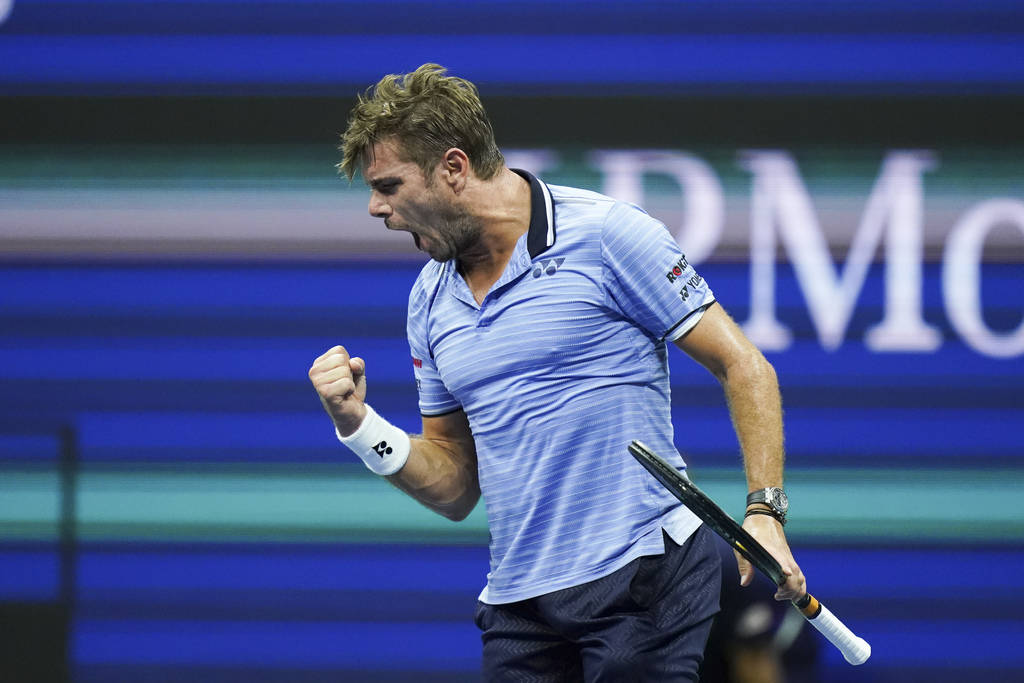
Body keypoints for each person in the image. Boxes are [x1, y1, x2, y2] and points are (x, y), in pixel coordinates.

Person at [309, 63, 805, 682]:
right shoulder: (427, 302)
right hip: (521, 604)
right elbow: (457, 484)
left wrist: (765, 511)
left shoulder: (607, 235)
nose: (375, 207)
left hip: (644, 573)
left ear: (454, 168)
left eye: (387, 184)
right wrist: (360, 427)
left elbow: (744, 365)